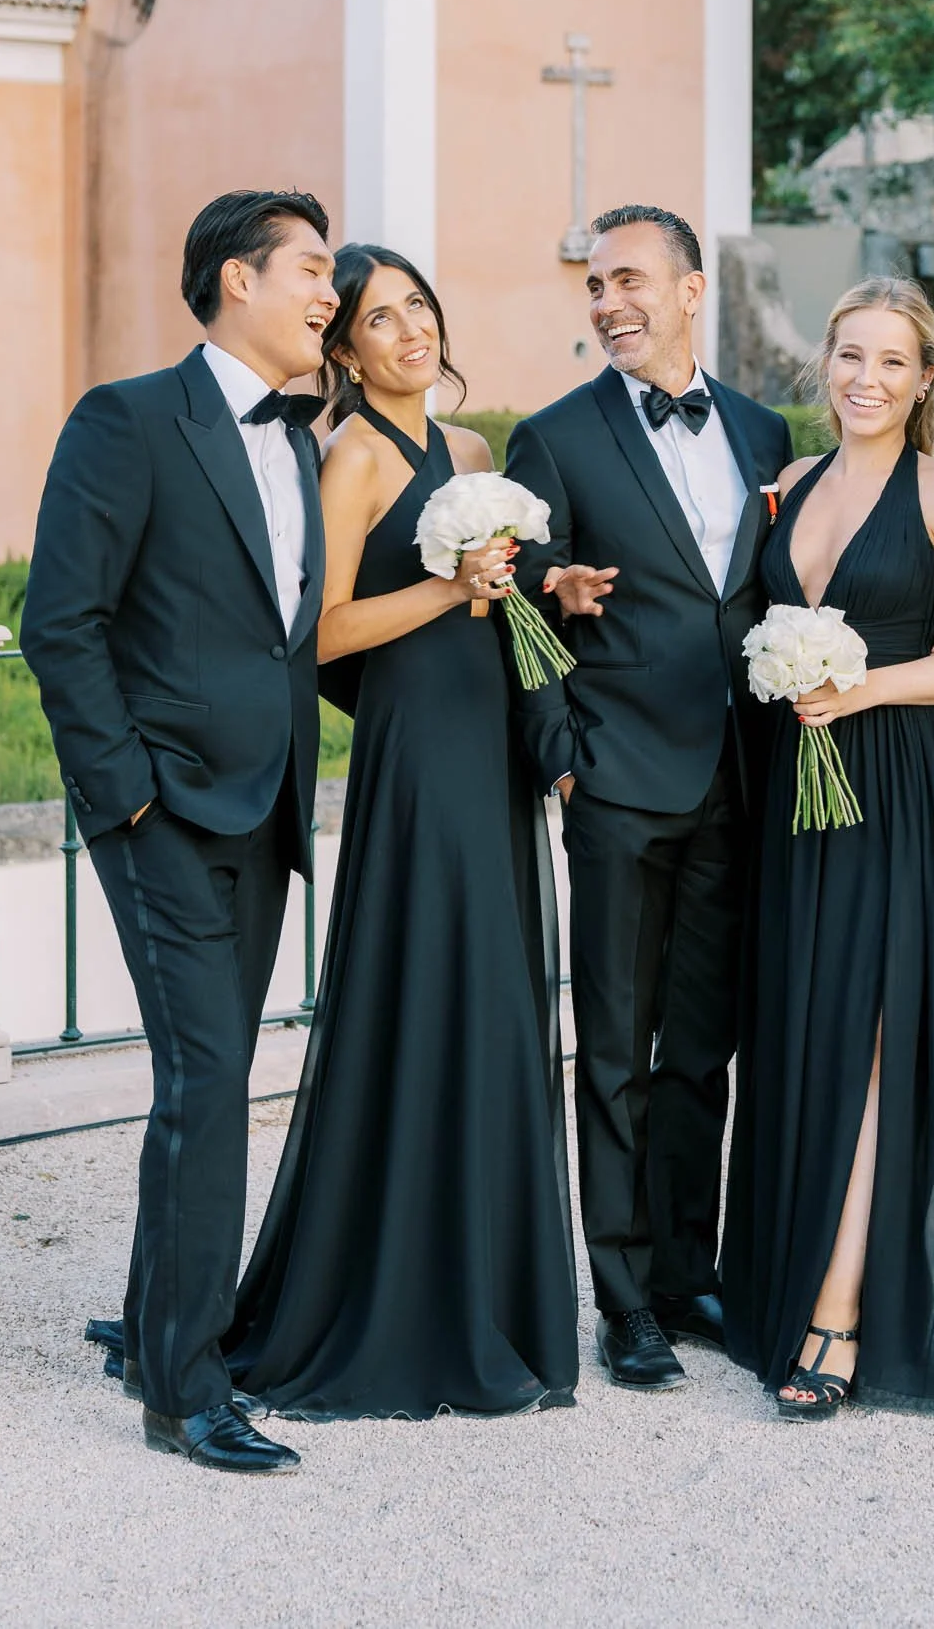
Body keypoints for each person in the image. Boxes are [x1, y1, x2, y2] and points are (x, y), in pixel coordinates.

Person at [226, 245, 578, 1421]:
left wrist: (547, 590)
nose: (409, 330)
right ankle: (401, 1300)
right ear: (344, 350)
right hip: (419, 754)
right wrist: (447, 588)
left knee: (495, 1004)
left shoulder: (472, 451)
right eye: (379, 320)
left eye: (417, 306)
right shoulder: (355, 455)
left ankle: (487, 1287)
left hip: (490, 746)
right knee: (431, 991)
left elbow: (501, 602)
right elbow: (319, 632)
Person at [22, 190, 338, 1475]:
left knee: (203, 1080)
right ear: (236, 279)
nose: (330, 292)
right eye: (310, 268)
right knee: (210, 1081)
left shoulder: (301, 444)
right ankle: (184, 1387)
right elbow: (62, 621)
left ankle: (150, 1325)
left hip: (264, 809)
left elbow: (281, 635)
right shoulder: (128, 418)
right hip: (164, 810)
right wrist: (128, 795)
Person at [506, 205, 793, 1391]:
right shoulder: (551, 437)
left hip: (742, 774)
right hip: (619, 780)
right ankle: (621, 1299)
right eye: (592, 284)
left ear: (687, 290)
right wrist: (560, 755)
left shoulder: (765, 430)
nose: (605, 301)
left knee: (703, 1047)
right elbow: (518, 604)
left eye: (626, 279)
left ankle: (687, 1271)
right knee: (616, 1049)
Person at [723, 279, 934, 1418]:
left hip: (899, 787)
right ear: (823, 364)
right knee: (805, 1022)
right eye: (849, 355)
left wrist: (863, 686)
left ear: (924, 380)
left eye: (892, 362)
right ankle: (780, 1279)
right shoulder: (788, 487)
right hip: (798, 795)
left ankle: (837, 1315)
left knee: (882, 1033)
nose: (866, 379)